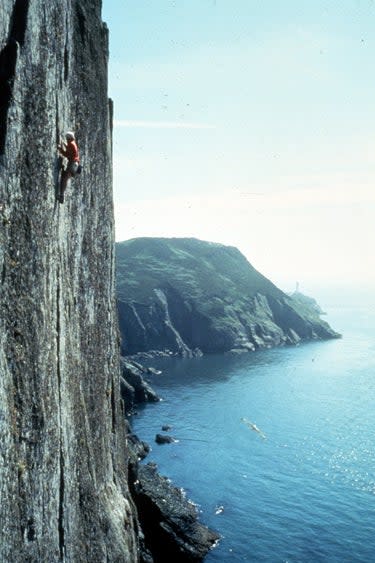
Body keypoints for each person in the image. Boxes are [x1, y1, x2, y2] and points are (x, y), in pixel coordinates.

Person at [57, 131, 80, 203]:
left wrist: (60, 149)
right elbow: (69, 149)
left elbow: (67, 154)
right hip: (75, 165)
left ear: (69, 138)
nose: (66, 140)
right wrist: (63, 143)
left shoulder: (71, 144)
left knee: (64, 178)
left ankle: (61, 196)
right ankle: (61, 195)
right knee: (65, 178)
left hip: (72, 164)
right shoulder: (73, 144)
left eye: (67, 139)